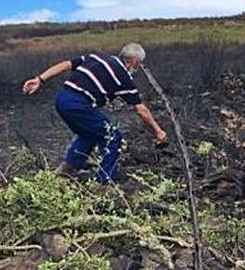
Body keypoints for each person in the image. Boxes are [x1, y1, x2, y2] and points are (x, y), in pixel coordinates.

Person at [23, 43, 168, 184]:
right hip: (78, 105)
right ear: (134, 62)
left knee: (90, 134)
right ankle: (103, 182)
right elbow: (140, 109)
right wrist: (158, 131)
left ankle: (65, 171)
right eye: (139, 64)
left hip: (62, 99)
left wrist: (40, 79)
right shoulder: (124, 78)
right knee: (113, 136)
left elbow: (66, 64)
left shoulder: (97, 57)